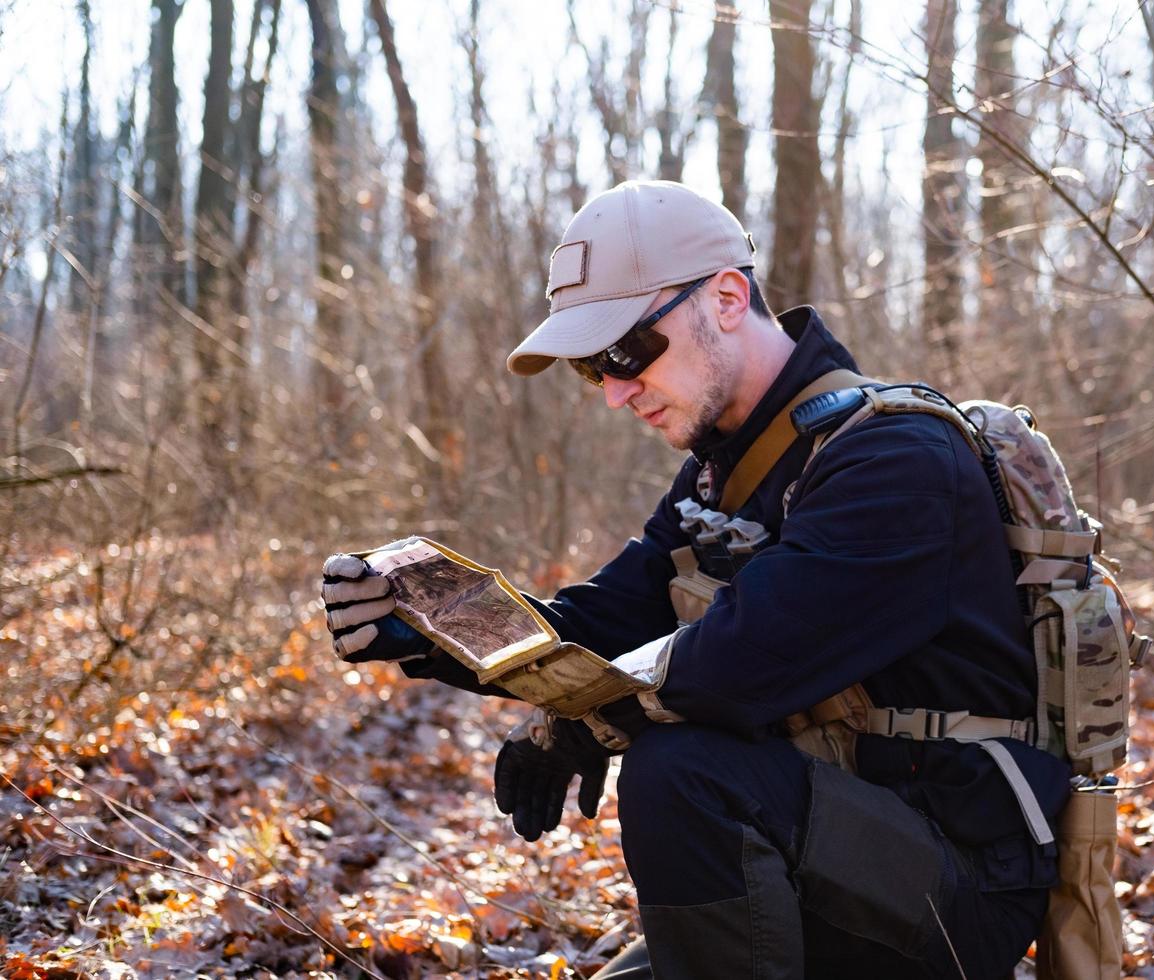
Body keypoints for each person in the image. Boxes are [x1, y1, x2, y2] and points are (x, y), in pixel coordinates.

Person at [321, 180, 1072, 979]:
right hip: (823, 855)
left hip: (956, 884)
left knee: (682, 774)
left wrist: (578, 726)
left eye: (625, 352)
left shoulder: (895, 463)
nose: (614, 390)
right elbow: (604, 622)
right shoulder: (722, 473)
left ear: (724, 296)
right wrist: (432, 627)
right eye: (590, 368)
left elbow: (741, 668)